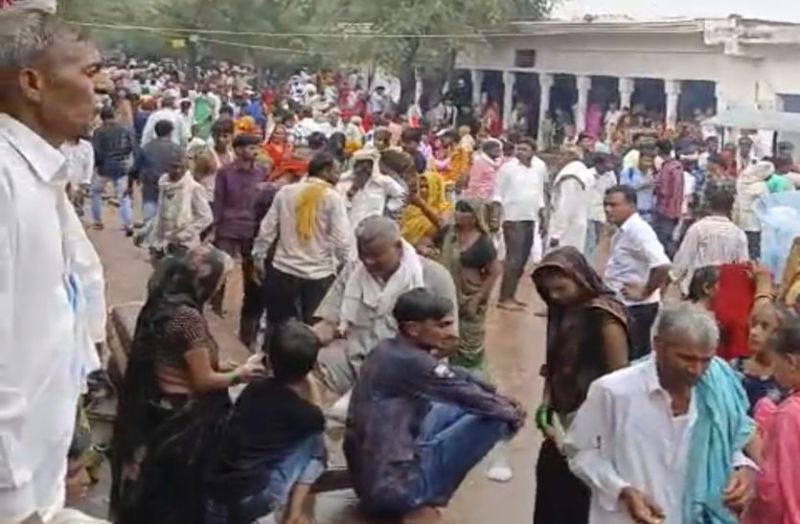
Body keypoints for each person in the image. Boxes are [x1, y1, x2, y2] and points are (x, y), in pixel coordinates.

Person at [0, 11, 108, 522]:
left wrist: (69, 439)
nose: (103, 88)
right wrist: (15, 500)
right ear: (33, 83)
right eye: (89, 73)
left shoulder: (41, 178)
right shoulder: (5, 182)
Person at [110, 246, 264, 524]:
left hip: (155, 408)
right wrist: (240, 374)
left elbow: (177, 357)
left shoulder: (162, 303)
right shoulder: (188, 318)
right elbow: (204, 381)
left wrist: (219, 364)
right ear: (207, 280)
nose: (220, 286)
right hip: (182, 423)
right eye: (221, 280)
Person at [344, 288, 525, 524]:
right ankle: (422, 499)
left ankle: (419, 491)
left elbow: (455, 376)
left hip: (367, 478)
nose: (450, 333)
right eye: (442, 326)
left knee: (464, 405)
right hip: (392, 490)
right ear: (413, 329)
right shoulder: (414, 362)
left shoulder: (387, 349)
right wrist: (513, 414)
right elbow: (467, 395)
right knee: (497, 418)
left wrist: (494, 393)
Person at [567, 303, 757, 524]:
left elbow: (723, 445)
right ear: (658, 345)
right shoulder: (614, 392)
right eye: (686, 358)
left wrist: (743, 468)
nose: (696, 370)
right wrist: (622, 490)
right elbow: (580, 453)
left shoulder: (716, 391)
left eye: (705, 360)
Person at [532, 247, 630, 524]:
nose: (554, 296)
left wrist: (600, 431)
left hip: (594, 430)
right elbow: (554, 364)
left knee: (580, 501)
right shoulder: (561, 311)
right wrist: (547, 405)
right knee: (551, 494)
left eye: (561, 288)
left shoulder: (604, 316)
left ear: (580, 279)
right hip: (561, 425)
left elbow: (619, 380)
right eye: (548, 291)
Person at [314, 217, 459, 396]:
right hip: (358, 362)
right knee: (319, 365)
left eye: (375, 256)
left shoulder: (434, 276)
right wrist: (306, 341)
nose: (368, 262)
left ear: (397, 246)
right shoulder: (353, 271)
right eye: (363, 255)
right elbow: (330, 321)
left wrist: (403, 364)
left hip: (411, 370)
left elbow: (450, 341)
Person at [205, 321, 325, 524]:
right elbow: (320, 417)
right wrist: (311, 381)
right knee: (315, 442)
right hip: (254, 498)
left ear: (268, 360)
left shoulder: (253, 389)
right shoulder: (302, 412)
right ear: (309, 368)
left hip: (216, 495)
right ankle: (293, 514)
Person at [253, 151, 350, 326]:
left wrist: (258, 258)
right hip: (318, 275)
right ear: (325, 171)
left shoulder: (286, 192)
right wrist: (345, 266)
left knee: (279, 326)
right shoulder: (333, 198)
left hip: (283, 269)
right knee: (313, 329)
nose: (339, 176)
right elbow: (341, 240)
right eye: (337, 171)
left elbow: (267, 229)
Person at [212, 133, 269, 342]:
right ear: (237, 150)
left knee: (253, 281)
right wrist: (215, 228)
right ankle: (214, 321)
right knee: (219, 275)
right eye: (250, 147)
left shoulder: (262, 172)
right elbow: (219, 201)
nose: (254, 151)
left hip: (252, 230)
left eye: (255, 147)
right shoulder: (224, 173)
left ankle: (248, 334)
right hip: (227, 228)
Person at [603, 185, 671, 358]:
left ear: (631, 206)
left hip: (636, 307)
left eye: (614, 205)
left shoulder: (638, 230)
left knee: (632, 356)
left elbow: (662, 265)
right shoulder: (623, 231)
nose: (608, 210)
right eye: (606, 205)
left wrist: (645, 291)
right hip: (624, 304)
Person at [745, 316, 800, 524]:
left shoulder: (789, 414)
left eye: (775, 363)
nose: (773, 371)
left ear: (791, 362)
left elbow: (774, 488)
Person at [437, 199, 502, 374]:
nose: (458, 214)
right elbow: (431, 242)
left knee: (470, 344)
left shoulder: (483, 243)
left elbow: (495, 271)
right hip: (446, 295)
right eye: (457, 209)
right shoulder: (448, 234)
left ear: (475, 218)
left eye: (464, 211)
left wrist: (478, 298)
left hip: (469, 298)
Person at [492, 138, 547, 311]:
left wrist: (542, 212)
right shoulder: (508, 168)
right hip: (512, 218)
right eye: (519, 148)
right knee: (513, 259)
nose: (520, 152)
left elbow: (540, 191)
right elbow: (497, 193)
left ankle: (511, 295)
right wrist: (496, 216)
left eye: (524, 149)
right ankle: (504, 297)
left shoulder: (540, 167)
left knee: (523, 259)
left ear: (533, 152)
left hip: (531, 217)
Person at [671, 184, 749, 295]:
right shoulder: (738, 233)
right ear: (731, 208)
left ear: (709, 206)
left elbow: (685, 255)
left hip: (696, 286)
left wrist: (674, 276)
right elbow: (742, 264)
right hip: (723, 288)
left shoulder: (698, 228)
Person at [138, 150, 213, 265]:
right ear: (167, 167)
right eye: (174, 167)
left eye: (181, 167)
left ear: (186, 168)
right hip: (162, 243)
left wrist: (182, 235)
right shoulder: (164, 185)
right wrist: (146, 232)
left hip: (185, 245)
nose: (177, 171)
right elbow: (161, 214)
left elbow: (206, 217)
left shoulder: (194, 188)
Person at [731, 301, 792, 414]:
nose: (753, 332)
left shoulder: (785, 381)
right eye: (754, 324)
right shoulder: (733, 368)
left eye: (764, 327)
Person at [91, 105, 137, 235]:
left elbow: (96, 150)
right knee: (123, 196)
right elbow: (133, 146)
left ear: (101, 117)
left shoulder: (98, 131)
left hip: (104, 167)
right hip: (122, 166)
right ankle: (128, 224)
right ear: (114, 115)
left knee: (96, 192)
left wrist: (97, 165)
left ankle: (97, 221)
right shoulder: (125, 129)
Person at [336, 147, 406, 230]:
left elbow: (402, 195)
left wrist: (387, 209)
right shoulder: (343, 184)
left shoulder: (383, 182)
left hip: (373, 230)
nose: (364, 168)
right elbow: (338, 210)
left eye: (367, 165)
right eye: (360, 164)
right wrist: (352, 192)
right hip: (349, 229)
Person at [133, 119, 183, 224]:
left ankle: (149, 229)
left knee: (149, 216)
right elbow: (184, 169)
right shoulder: (177, 149)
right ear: (170, 132)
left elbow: (136, 167)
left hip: (150, 185)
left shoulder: (147, 148)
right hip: (171, 187)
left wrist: (134, 179)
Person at [548, 151, 591, 252]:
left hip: (567, 228)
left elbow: (565, 207)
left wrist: (557, 234)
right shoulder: (584, 173)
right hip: (579, 223)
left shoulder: (569, 178)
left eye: (562, 155)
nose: (558, 159)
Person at [401, 170, 452, 248]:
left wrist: (423, 205)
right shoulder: (412, 208)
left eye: (427, 187)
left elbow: (442, 225)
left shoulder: (444, 208)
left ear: (437, 189)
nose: (423, 190)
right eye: (421, 187)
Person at [585, 153, 617, 258]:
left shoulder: (610, 175)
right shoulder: (587, 174)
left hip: (601, 211)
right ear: (598, 164)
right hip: (588, 210)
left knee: (599, 239)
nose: (609, 166)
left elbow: (612, 191)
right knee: (589, 239)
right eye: (606, 163)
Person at [652, 154, 685, 256]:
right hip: (676, 210)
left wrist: (655, 186)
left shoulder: (667, 169)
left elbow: (664, 191)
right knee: (669, 237)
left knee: (662, 239)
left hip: (665, 209)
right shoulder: (679, 169)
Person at [619, 151, 656, 222]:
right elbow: (623, 190)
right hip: (632, 212)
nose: (648, 164)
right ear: (639, 159)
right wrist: (643, 185)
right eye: (646, 161)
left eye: (650, 161)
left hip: (647, 213)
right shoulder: (629, 172)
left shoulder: (651, 173)